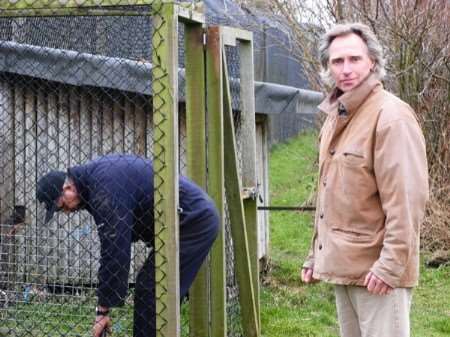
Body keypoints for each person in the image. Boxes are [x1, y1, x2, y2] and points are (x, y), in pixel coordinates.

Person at [301, 22, 428, 337]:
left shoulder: (391, 117)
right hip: (345, 267)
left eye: (354, 59)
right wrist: (315, 255)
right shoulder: (338, 116)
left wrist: (390, 267)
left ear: (372, 61)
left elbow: (407, 201)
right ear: (327, 67)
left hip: (379, 273)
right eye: (337, 61)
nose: (346, 69)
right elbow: (333, 195)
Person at [36, 154, 220, 337]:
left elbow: (115, 247)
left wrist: (102, 311)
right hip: (185, 220)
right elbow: (121, 233)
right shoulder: (94, 182)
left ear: (67, 188)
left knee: (152, 289)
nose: (66, 212)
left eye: (61, 207)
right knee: (154, 287)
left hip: (192, 219)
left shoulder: (103, 187)